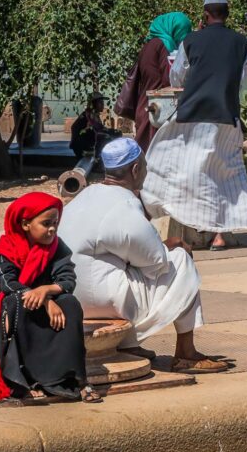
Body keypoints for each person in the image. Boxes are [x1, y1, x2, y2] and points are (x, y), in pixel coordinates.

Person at [59, 138, 228, 374]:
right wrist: (174, 244)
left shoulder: (84, 198)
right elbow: (155, 260)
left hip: (68, 298)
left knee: (126, 268)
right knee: (179, 259)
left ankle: (130, 345)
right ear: (135, 169)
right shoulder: (122, 206)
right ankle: (186, 353)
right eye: (145, 166)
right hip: (98, 301)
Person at [141, 0, 247, 251]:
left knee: (169, 160)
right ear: (227, 13)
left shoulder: (191, 41)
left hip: (195, 115)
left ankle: (217, 234)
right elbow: (239, 80)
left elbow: (177, 78)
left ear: (205, 14)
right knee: (232, 170)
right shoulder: (242, 43)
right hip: (228, 115)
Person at [0, 192, 97, 408]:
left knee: (70, 303)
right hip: (21, 305)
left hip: (46, 300)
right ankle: (22, 382)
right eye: (45, 223)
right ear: (25, 224)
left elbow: (67, 279)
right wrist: (45, 300)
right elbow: (8, 283)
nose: (52, 228)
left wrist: (45, 290)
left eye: (55, 223)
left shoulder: (57, 248)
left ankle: (71, 380)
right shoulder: (8, 250)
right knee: (15, 301)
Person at [133, 12, 193, 152]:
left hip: (146, 107)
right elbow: (169, 79)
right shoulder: (162, 46)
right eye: (182, 32)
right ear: (174, 29)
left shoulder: (149, 45)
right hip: (157, 111)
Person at [69, 92, 121, 160]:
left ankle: (104, 156)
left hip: (88, 144)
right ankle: (98, 157)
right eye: (100, 103)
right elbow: (74, 127)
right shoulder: (87, 115)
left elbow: (100, 128)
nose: (103, 105)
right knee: (105, 137)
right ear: (94, 104)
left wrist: (111, 131)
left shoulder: (94, 115)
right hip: (81, 148)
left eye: (102, 102)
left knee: (115, 133)